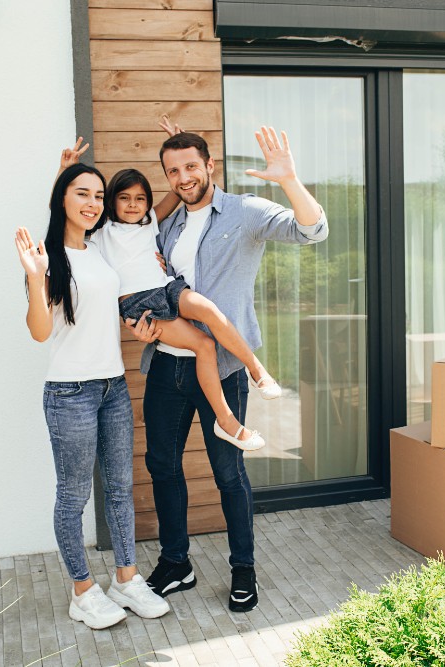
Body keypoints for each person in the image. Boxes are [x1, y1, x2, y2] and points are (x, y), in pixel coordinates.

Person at [125, 125, 328, 613]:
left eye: (192, 166)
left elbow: (312, 230)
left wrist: (289, 180)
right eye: (173, 170)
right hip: (167, 367)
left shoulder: (246, 211)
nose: (183, 177)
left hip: (225, 368)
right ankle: (177, 564)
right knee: (162, 467)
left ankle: (244, 570)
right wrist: (142, 325)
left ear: (210, 165)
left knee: (228, 472)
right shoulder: (166, 224)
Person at [14, 163, 170, 630]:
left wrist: (141, 330)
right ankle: (82, 591)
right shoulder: (47, 259)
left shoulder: (101, 250)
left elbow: (115, 305)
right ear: (62, 198)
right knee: (74, 495)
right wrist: (36, 279)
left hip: (113, 386)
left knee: (121, 490)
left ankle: (126, 578)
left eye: (99, 196)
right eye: (82, 194)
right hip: (70, 393)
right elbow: (39, 332)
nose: (93, 203)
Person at [99, 166, 281, 452]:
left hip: (166, 288)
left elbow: (178, 190)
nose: (133, 204)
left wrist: (181, 148)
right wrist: (64, 171)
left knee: (208, 309)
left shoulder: (149, 223)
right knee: (204, 345)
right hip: (140, 304)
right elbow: (65, 212)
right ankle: (227, 423)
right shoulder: (102, 232)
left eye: (140, 198)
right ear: (111, 201)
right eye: (124, 198)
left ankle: (256, 369)